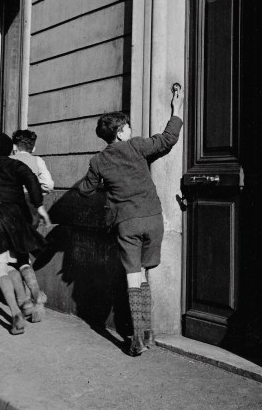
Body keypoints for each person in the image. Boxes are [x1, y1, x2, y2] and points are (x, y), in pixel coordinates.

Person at [78, 86, 184, 356]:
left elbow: (85, 190)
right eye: (126, 126)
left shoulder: (99, 160)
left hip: (126, 222)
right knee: (147, 273)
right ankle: (148, 334)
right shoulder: (137, 146)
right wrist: (176, 110)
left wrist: (107, 184)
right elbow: (166, 140)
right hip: (151, 218)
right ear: (120, 131)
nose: (129, 129)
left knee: (133, 277)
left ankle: (137, 339)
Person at [0, 132, 48, 335]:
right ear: (10, 149)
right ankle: (32, 296)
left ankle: (15, 314)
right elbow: (31, 179)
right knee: (20, 259)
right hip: (16, 216)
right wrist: (38, 205)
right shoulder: (15, 165)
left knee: (1, 268)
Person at [11, 129, 54, 321]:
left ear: (14, 146)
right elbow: (49, 184)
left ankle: (28, 301)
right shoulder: (38, 161)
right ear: (33, 147)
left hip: (14, 208)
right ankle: (32, 302)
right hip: (32, 210)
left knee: (16, 256)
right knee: (25, 253)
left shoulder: (10, 161)